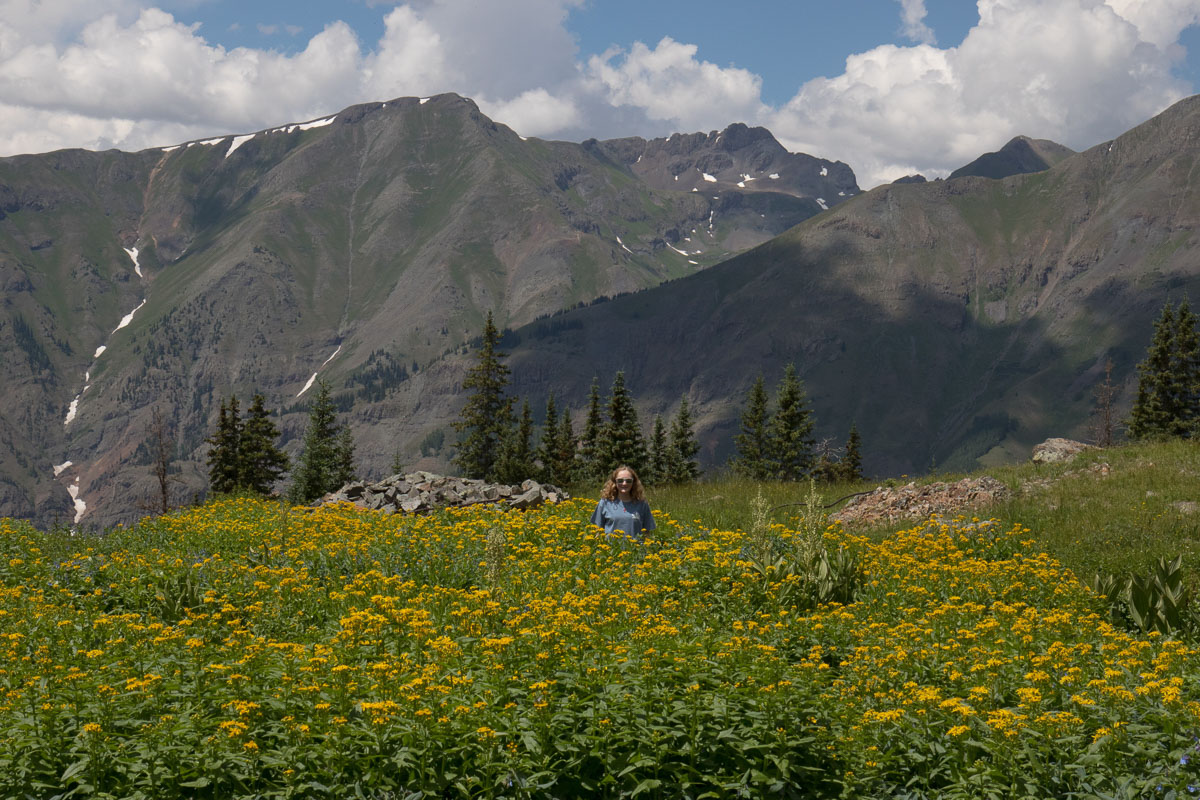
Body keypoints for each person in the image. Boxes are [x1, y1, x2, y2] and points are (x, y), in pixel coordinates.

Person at [590, 465, 656, 539]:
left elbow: (647, 533)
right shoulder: (605, 503)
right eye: (620, 480)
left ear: (633, 482)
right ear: (615, 482)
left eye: (628, 481)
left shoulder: (642, 504)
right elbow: (598, 531)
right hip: (610, 549)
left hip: (636, 549)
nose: (624, 483)